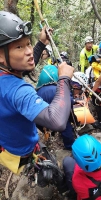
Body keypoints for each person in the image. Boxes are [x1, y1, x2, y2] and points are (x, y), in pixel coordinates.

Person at [0, 11, 74, 175]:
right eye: (19, 47)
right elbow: (56, 121)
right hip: (24, 152)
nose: (28, 51)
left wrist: (41, 43)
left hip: (7, 145)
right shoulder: (18, 90)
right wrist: (63, 79)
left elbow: (20, 68)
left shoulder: (5, 75)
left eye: (28, 44)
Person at [36, 65, 75, 150]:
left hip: (41, 118)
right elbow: (69, 101)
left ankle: (50, 136)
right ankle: (69, 145)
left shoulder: (38, 91)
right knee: (65, 123)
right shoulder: (57, 89)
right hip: (54, 114)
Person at [86, 54, 101, 130]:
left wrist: (88, 89)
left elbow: (87, 80)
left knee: (97, 104)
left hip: (95, 89)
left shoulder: (89, 69)